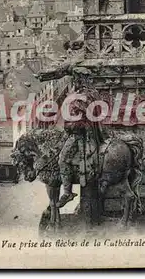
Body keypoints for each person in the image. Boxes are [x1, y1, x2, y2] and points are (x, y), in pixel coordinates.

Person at [36, 62, 107, 208]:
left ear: (80, 79)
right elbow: (63, 70)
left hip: (81, 135)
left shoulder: (82, 98)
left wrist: (68, 126)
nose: (74, 82)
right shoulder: (92, 93)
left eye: (76, 79)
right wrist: (43, 76)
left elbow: (78, 122)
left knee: (62, 159)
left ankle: (68, 192)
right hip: (89, 131)